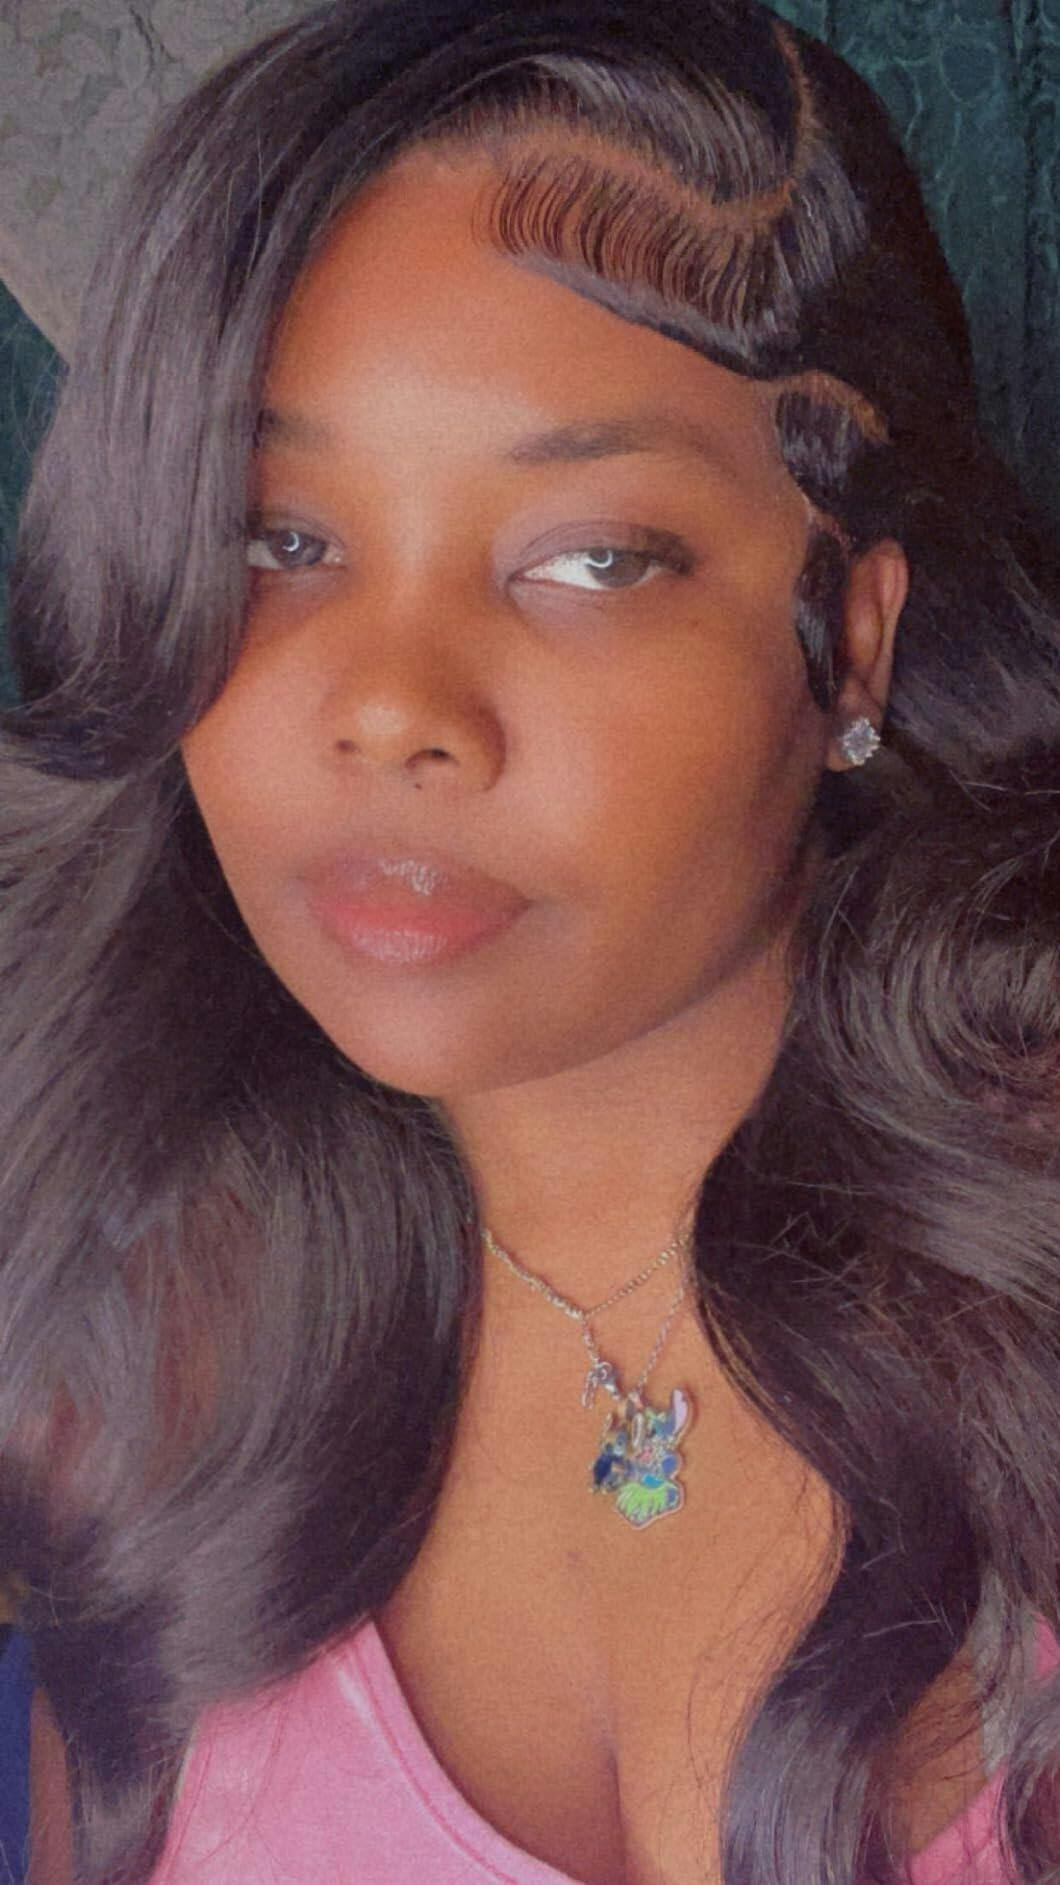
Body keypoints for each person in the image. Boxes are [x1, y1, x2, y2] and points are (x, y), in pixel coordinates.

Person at [3, 1, 1060, 1880]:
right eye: (276, 539)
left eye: (590, 557)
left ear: (853, 640)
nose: (391, 707)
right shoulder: (122, 1351)